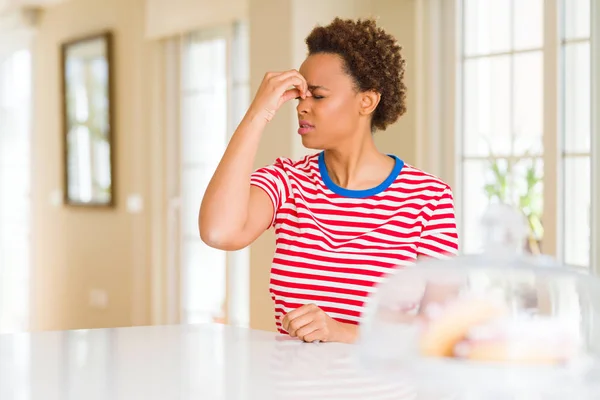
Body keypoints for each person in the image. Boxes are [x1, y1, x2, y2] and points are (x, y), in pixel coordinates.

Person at [199, 17, 459, 344]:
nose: (302, 107)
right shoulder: (286, 182)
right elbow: (218, 231)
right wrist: (258, 114)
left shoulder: (429, 198)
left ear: (367, 101)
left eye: (318, 97)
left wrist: (340, 332)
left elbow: (442, 331)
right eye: (299, 97)